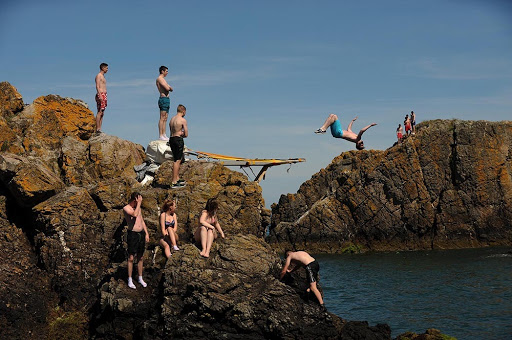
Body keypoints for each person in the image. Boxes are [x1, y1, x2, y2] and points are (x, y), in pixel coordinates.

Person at [123, 192, 150, 289]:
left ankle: (140, 277)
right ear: (134, 200)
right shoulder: (126, 208)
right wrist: (138, 204)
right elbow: (134, 215)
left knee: (141, 256)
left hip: (141, 233)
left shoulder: (138, 208)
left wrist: (146, 233)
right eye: (138, 201)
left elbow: (141, 220)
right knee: (131, 257)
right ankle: (130, 279)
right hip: (133, 234)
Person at [169, 104, 188, 188]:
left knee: (175, 158)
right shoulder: (182, 120)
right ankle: (174, 181)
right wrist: (182, 134)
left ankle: (177, 178)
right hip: (178, 140)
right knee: (177, 160)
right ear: (183, 111)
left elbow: (171, 130)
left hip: (171, 139)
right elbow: (186, 134)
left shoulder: (172, 119)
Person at [156, 65, 174, 141]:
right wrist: (168, 87)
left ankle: (164, 134)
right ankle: (161, 134)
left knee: (165, 118)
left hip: (167, 99)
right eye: (166, 71)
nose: (167, 73)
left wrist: (169, 87)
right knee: (162, 117)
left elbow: (171, 89)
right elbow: (167, 88)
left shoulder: (163, 79)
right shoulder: (160, 79)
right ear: (162, 71)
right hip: (163, 99)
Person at [95, 63, 108, 133]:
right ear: (103, 68)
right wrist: (99, 95)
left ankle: (100, 128)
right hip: (101, 94)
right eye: (106, 68)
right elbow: (97, 86)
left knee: (102, 112)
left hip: (104, 94)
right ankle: (97, 129)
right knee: (100, 111)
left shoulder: (103, 76)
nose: (107, 69)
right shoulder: (98, 76)